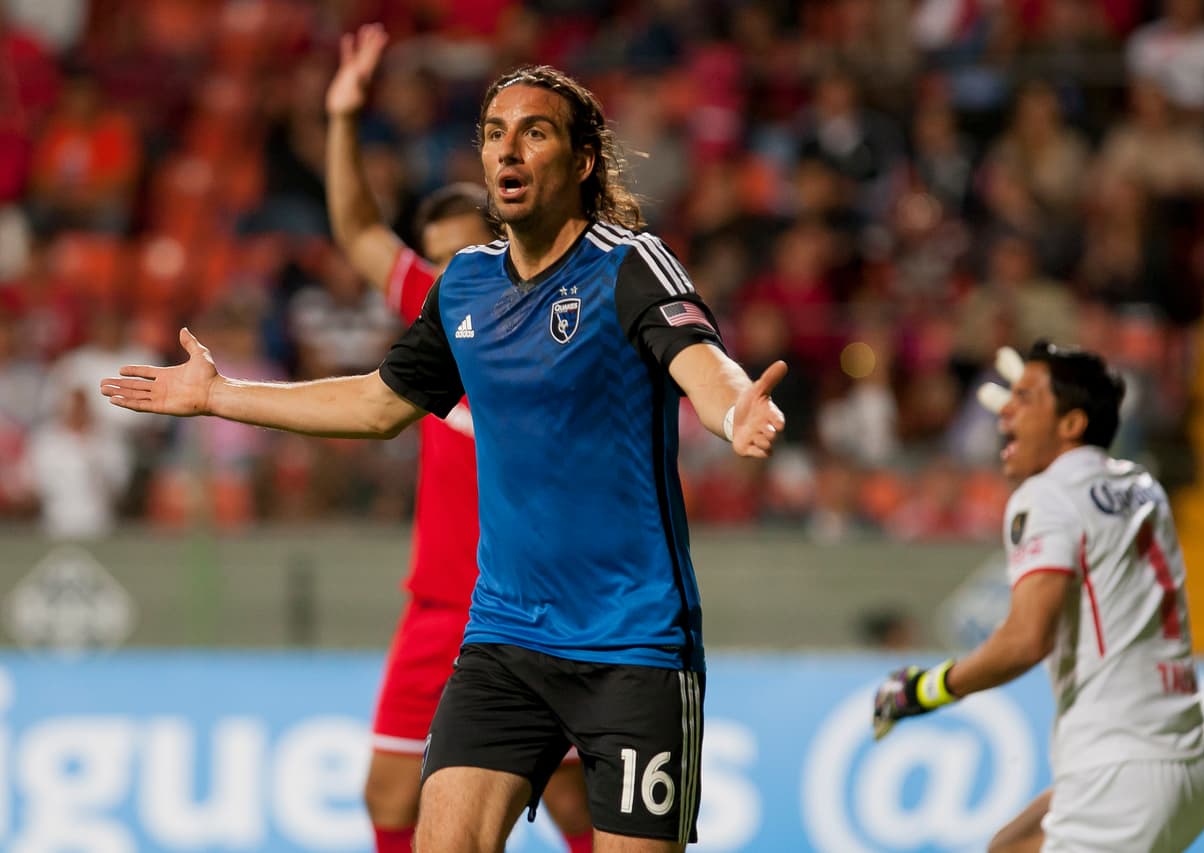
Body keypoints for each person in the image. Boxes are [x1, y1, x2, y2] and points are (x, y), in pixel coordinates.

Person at [102, 28, 787, 853]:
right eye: (496, 131)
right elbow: (376, 405)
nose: (509, 146)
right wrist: (218, 395)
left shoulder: (627, 262)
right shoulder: (462, 284)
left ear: (579, 164)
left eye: (535, 131)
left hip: (632, 646)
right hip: (503, 639)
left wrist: (733, 406)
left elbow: (698, 360)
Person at [322, 27, 591, 853]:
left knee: (574, 796)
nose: (442, 276)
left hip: (539, 597)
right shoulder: (437, 310)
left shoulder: (556, 312)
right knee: (389, 790)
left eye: (457, 254)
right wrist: (342, 118)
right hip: (440, 602)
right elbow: (359, 229)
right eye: (430, 262)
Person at [872, 340, 1204, 852]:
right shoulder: (1145, 487)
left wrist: (926, 689)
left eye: (1025, 398)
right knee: (1009, 847)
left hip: (1120, 767)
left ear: (1072, 425)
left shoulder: (1047, 496)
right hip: (1186, 763)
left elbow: (1025, 640)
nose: (1004, 409)